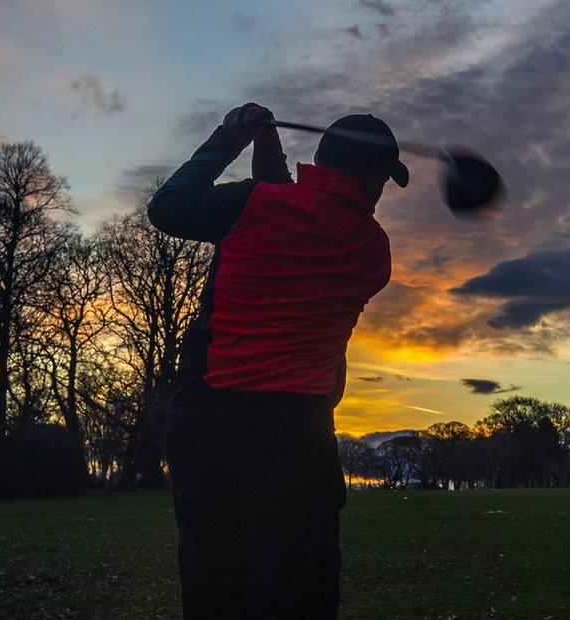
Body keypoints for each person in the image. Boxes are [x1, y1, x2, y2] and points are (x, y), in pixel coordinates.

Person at [147, 102, 408, 618]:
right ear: (373, 180)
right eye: (382, 183)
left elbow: (169, 208)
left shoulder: (253, 205)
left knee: (215, 587)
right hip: (296, 436)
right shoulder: (372, 251)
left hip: (207, 424)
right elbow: (291, 208)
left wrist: (230, 139)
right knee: (298, 592)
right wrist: (266, 150)